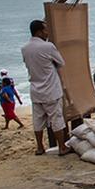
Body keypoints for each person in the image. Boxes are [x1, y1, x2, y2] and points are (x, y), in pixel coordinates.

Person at [22, 19, 70, 155]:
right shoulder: (48, 46)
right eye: (45, 30)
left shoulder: (25, 48)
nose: (47, 33)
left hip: (35, 89)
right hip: (51, 89)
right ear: (39, 32)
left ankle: (39, 147)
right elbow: (60, 62)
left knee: (38, 120)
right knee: (56, 119)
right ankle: (62, 147)